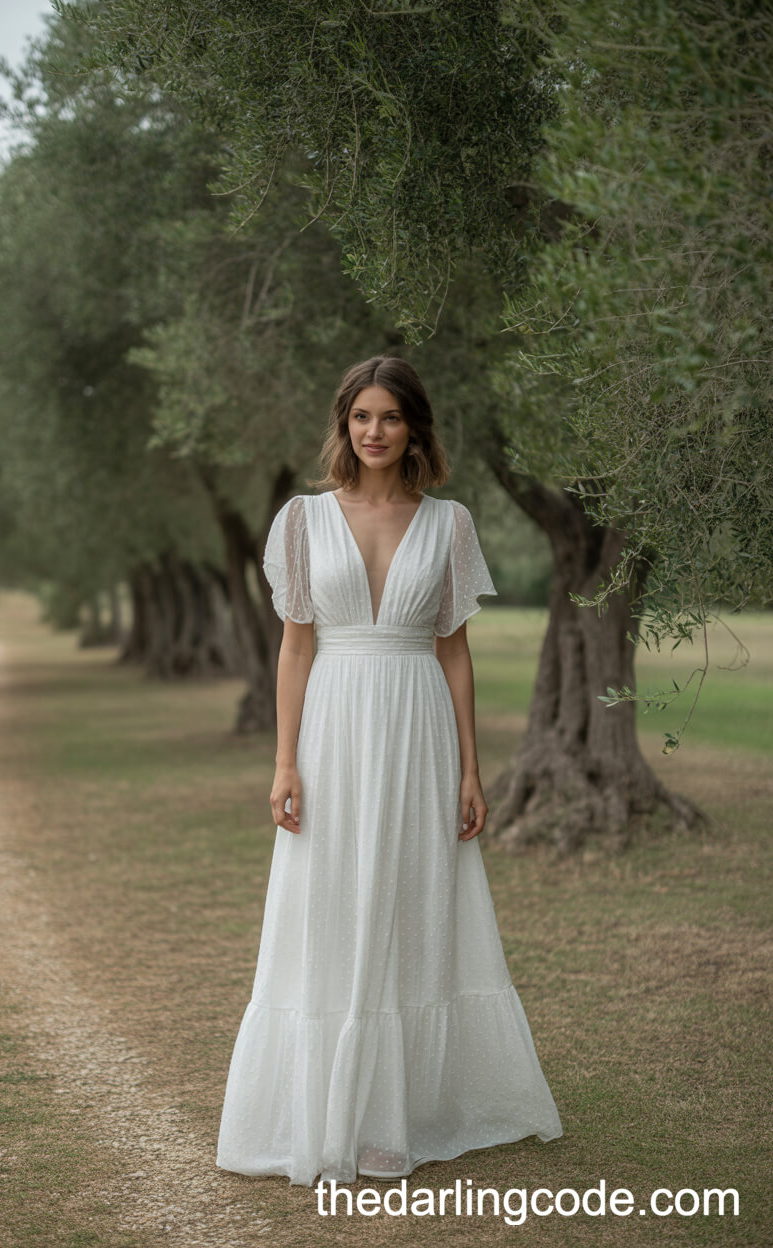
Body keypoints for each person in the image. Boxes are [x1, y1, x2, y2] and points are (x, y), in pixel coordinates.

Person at [216, 355, 562, 1187]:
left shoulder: (450, 525)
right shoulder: (301, 520)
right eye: (362, 417)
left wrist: (472, 770)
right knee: (330, 906)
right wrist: (284, 761)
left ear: (416, 429)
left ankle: (392, 1118)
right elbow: (295, 649)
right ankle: (327, 1112)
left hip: (417, 731)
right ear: (345, 423)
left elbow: (456, 654)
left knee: (410, 906)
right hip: (333, 726)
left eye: (391, 418)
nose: (375, 431)